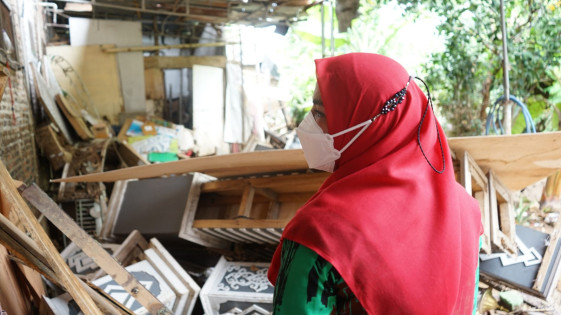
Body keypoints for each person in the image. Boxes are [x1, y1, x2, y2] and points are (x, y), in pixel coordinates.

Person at [268, 53, 482, 315]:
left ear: (369, 126)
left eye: (320, 112)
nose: (308, 124)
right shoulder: (464, 209)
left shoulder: (320, 231)